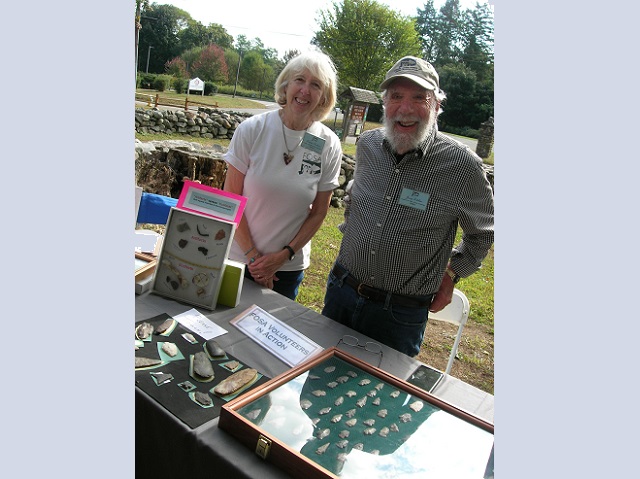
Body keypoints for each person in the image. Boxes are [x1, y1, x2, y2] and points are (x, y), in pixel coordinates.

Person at [322, 56, 494, 357]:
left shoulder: (462, 166)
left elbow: (485, 232)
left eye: (419, 98)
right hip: (341, 292)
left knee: (381, 402)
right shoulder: (368, 145)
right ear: (384, 103)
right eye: (396, 97)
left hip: (399, 315)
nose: (405, 108)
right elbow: (354, 202)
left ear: (436, 106)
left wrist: (452, 273)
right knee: (317, 384)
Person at [222, 51, 342, 301]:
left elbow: (319, 211)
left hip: (286, 268)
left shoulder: (328, 144)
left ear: (324, 97)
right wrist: (255, 259)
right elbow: (230, 199)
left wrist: (282, 256)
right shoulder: (252, 130)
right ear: (286, 85)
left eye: (316, 85)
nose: (305, 91)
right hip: (236, 259)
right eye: (300, 80)